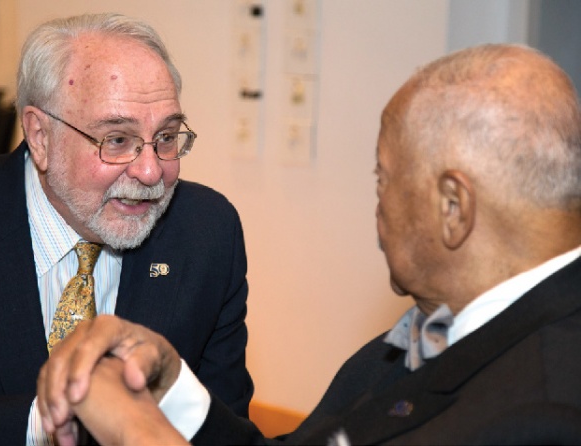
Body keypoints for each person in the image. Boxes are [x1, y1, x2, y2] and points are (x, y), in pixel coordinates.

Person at [37, 43, 581, 445]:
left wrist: (137, 431)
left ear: (453, 209)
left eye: (382, 179)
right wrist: (172, 383)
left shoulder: (545, 414)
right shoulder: (416, 339)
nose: (378, 209)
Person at [0, 12, 254, 445]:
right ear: (40, 135)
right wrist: (53, 417)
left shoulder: (207, 234)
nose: (150, 170)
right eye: (117, 139)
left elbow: (225, 433)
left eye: (165, 137)